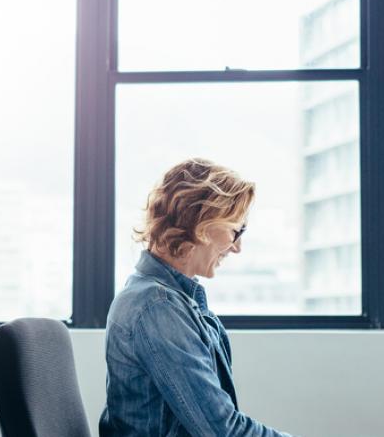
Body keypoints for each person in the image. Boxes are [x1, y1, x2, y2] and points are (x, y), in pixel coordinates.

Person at [100, 158, 293, 437]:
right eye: (235, 230)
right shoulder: (157, 307)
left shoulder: (167, 299)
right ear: (202, 224)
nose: (237, 247)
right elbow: (222, 432)